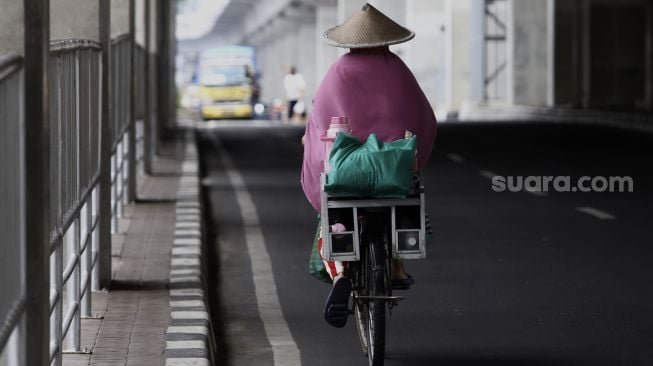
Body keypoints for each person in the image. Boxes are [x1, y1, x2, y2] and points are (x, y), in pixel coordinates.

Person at [300, 3, 437, 327]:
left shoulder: (338, 72)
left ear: (350, 42)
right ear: (387, 41)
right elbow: (424, 119)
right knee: (402, 200)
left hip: (347, 173)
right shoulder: (399, 71)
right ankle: (397, 266)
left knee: (332, 220)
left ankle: (340, 277)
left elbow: (319, 123)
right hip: (393, 169)